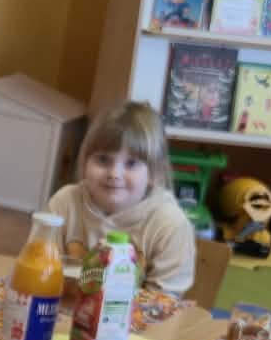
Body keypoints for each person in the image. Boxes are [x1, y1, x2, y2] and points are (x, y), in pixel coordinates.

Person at [47, 100, 196, 298]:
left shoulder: (170, 224)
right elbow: (41, 271)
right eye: (103, 160)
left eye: (131, 163)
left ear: (154, 172)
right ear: (85, 162)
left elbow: (164, 301)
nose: (114, 174)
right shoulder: (64, 203)